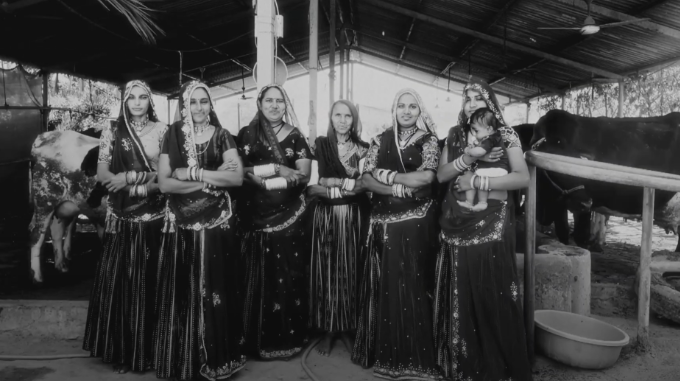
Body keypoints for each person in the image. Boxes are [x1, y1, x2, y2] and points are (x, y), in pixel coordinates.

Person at [434, 76, 533, 380]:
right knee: (460, 287)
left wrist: (479, 181)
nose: (472, 103)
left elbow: (521, 177)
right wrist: (466, 160)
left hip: (493, 220)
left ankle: (499, 367)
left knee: (494, 288)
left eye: (478, 97)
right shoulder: (454, 135)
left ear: (490, 102)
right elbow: (441, 176)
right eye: (467, 98)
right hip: (456, 220)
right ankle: (464, 364)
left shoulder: (506, 134)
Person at [154, 80, 246, 380]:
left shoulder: (222, 136)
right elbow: (166, 183)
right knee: (184, 287)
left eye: (204, 101)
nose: (198, 107)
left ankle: (217, 358)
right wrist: (209, 180)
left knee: (214, 290)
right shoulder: (172, 134)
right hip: (181, 225)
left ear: (211, 104)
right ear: (184, 104)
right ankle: (185, 360)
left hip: (217, 225)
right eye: (193, 102)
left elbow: (236, 179)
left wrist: (194, 172)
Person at [352, 89, 442, 380]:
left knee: (413, 283)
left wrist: (386, 175)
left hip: (417, 223)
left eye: (412, 106)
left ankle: (414, 358)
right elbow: (366, 178)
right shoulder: (380, 139)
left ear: (420, 111)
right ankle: (385, 356)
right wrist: (398, 187)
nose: (406, 111)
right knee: (385, 286)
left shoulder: (429, 140)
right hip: (382, 223)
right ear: (394, 109)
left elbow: (427, 177)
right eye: (401, 106)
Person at [83, 80, 166, 374]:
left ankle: (155, 352)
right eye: (132, 98)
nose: (138, 102)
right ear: (124, 101)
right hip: (121, 219)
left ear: (150, 101)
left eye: (144, 97)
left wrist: (128, 179)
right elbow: (103, 171)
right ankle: (124, 351)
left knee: (154, 285)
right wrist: (130, 178)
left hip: (155, 221)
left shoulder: (163, 131)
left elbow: (164, 177)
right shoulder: (112, 130)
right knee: (124, 286)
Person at [237, 84, 313, 359]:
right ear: (260, 103)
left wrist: (266, 181)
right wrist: (275, 169)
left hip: (291, 217)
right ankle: (255, 339)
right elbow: (238, 170)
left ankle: (287, 338)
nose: (274, 106)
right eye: (269, 101)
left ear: (286, 104)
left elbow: (303, 176)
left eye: (280, 101)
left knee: (288, 276)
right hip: (254, 217)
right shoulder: (247, 134)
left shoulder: (295, 136)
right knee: (256, 276)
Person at [307, 100, 370, 356]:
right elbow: (311, 187)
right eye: (338, 115)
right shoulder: (319, 146)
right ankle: (328, 329)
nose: (343, 120)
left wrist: (329, 182)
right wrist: (346, 186)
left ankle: (350, 326)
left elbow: (364, 186)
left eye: (348, 116)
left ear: (354, 121)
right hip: (325, 218)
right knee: (326, 271)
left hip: (353, 219)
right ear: (330, 118)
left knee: (351, 269)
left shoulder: (364, 149)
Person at [458, 108, 510, 212]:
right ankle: (470, 202)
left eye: (476, 131)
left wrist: (468, 150)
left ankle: (481, 202)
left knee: (477, 180)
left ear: (489, 129)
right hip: (497, 169)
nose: (475, 134)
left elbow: (479, 152)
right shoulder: (494, 137)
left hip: (495, 169)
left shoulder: (489, 138)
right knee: (472, 177)